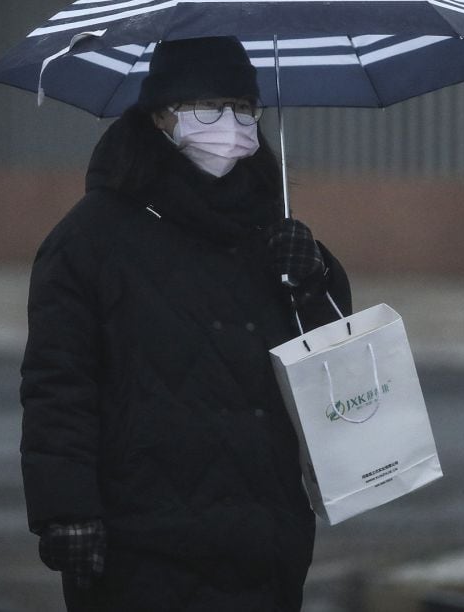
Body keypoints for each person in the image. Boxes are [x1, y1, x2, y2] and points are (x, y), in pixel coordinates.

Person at [20, 36, 352, 611]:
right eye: (207, 107)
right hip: (140, 545)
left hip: (264, 539)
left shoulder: (272, 231)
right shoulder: (89, 239)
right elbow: (58, 384)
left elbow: (333, 362)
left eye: (244, 108)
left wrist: (311, 278)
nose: (230, 123)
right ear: (160, 118)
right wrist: (66, 510)